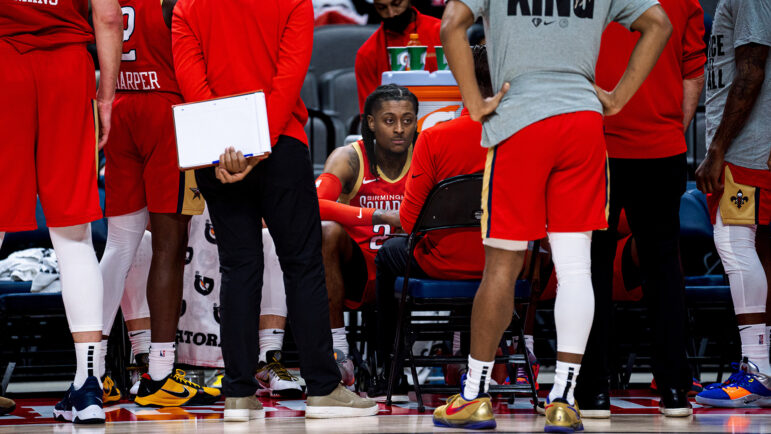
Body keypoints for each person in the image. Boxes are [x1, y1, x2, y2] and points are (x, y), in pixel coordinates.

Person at [436, 0, 672, 431]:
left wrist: (473, 102)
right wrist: (617, 98)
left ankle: (474, 394)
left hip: (520, 119)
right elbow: (658, 23)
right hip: (582, 121)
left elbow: (451, 23)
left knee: (503, 265)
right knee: (576, 267)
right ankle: (563, 398)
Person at [171, 0, 378, 421]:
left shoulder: (186, 7)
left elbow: (194, 85)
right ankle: (322, 389)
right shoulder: (292, 1)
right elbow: (287, 79)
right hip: (279, 143)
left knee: (239, 268)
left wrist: (227, 148)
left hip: (217, 154)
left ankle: (238, 395)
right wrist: (255, 147)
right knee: (302, 264)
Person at [575, 0, 707, 418]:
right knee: (664, 273)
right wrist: (671, 130)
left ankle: (593, 392)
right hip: (661, 149)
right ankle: (673, 392)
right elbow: (693, 74)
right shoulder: (685, 1)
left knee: (591, 270)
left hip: (594, 148)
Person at [0, 0, 122, 424]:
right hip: (69, 72)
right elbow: (108, 16)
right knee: (74, 236)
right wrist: (105, 97)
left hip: (5, 67)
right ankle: (87, 387)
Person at [96, 0, 218, 408]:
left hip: (122, 107)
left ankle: (91, 371)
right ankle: (160, 373)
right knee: (169, 245)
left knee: (119, 246)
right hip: (168, 112)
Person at [369, 45, 489, 400]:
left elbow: (408, 220)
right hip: (507, 264)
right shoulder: (522, 136)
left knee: (390, 253)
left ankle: (387, 369)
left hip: (443, 262)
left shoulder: (435, 137)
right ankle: (493, 361)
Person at [695, 0, 771, 408]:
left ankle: (757, 368)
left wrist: (718, 147)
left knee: (733, 242)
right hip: (758, 149)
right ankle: (764, 365)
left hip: (747, 153)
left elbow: (751, 68)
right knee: (761, 250)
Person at [316, 84, 418, 387]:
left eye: (407, 120)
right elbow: (316, 205)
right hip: (357, 268)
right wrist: (378, 216)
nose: (399, 129)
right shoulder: (349, 157)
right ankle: (339, 352)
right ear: (371, 123)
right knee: (327, 232)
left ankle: (456, 347)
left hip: (408, 266)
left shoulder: (426, 153)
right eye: (389, 120)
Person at [355, 0, 441, 110]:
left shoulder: (442, 33)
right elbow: (369, 115)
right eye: (382, 8)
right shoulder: (367, 54)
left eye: (396, 4)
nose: (391, 13)